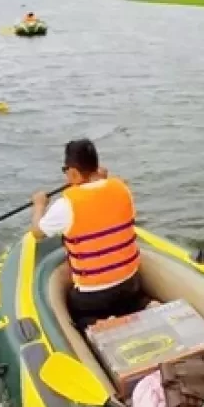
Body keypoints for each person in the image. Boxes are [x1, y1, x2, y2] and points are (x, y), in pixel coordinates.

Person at [29, 138, 143, 329]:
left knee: (76, 313)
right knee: (131, 300)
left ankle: (97, 324)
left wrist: (39, 205)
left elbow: (37, 232)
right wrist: (102, 179)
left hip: (93, 297)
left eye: (65, 170)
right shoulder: (122, 188)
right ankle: (144, 305)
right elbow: (102, 202)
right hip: (130, 285)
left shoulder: (65, 206)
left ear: (73, 171)